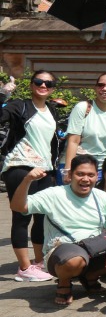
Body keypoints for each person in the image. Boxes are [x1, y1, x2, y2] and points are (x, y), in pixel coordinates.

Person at [11, 156, 106, 306]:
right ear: (70, 175)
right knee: (74, 261)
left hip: (94, 248)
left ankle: (90, 277)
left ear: (97, 176)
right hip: (63, 251)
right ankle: (64, 282)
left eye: (90, 175)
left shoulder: (102, 196)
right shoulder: (54, 194)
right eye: (80, 174)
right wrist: (27, 180)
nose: (85, 179)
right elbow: (18, 206)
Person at [1, 70, 61, 281]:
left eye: (48, 83)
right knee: (22, 216)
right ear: (31, 84)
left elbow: (52, 143)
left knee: (41, 216)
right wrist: (3, 95)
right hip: (20, 165)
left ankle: (39, 262)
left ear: (52, 88)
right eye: (38, 81)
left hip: (44, 169)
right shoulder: (20, 105)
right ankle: (25, 268)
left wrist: (54, 170)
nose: (43, 85)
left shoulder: (51, 110)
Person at [63, 72, 106, 178]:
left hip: (102, 170)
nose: (104, 89)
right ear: (95, 88)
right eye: (100, 85)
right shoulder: (83, 108)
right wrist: (68, 170)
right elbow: (73, 141)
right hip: (78, 168)